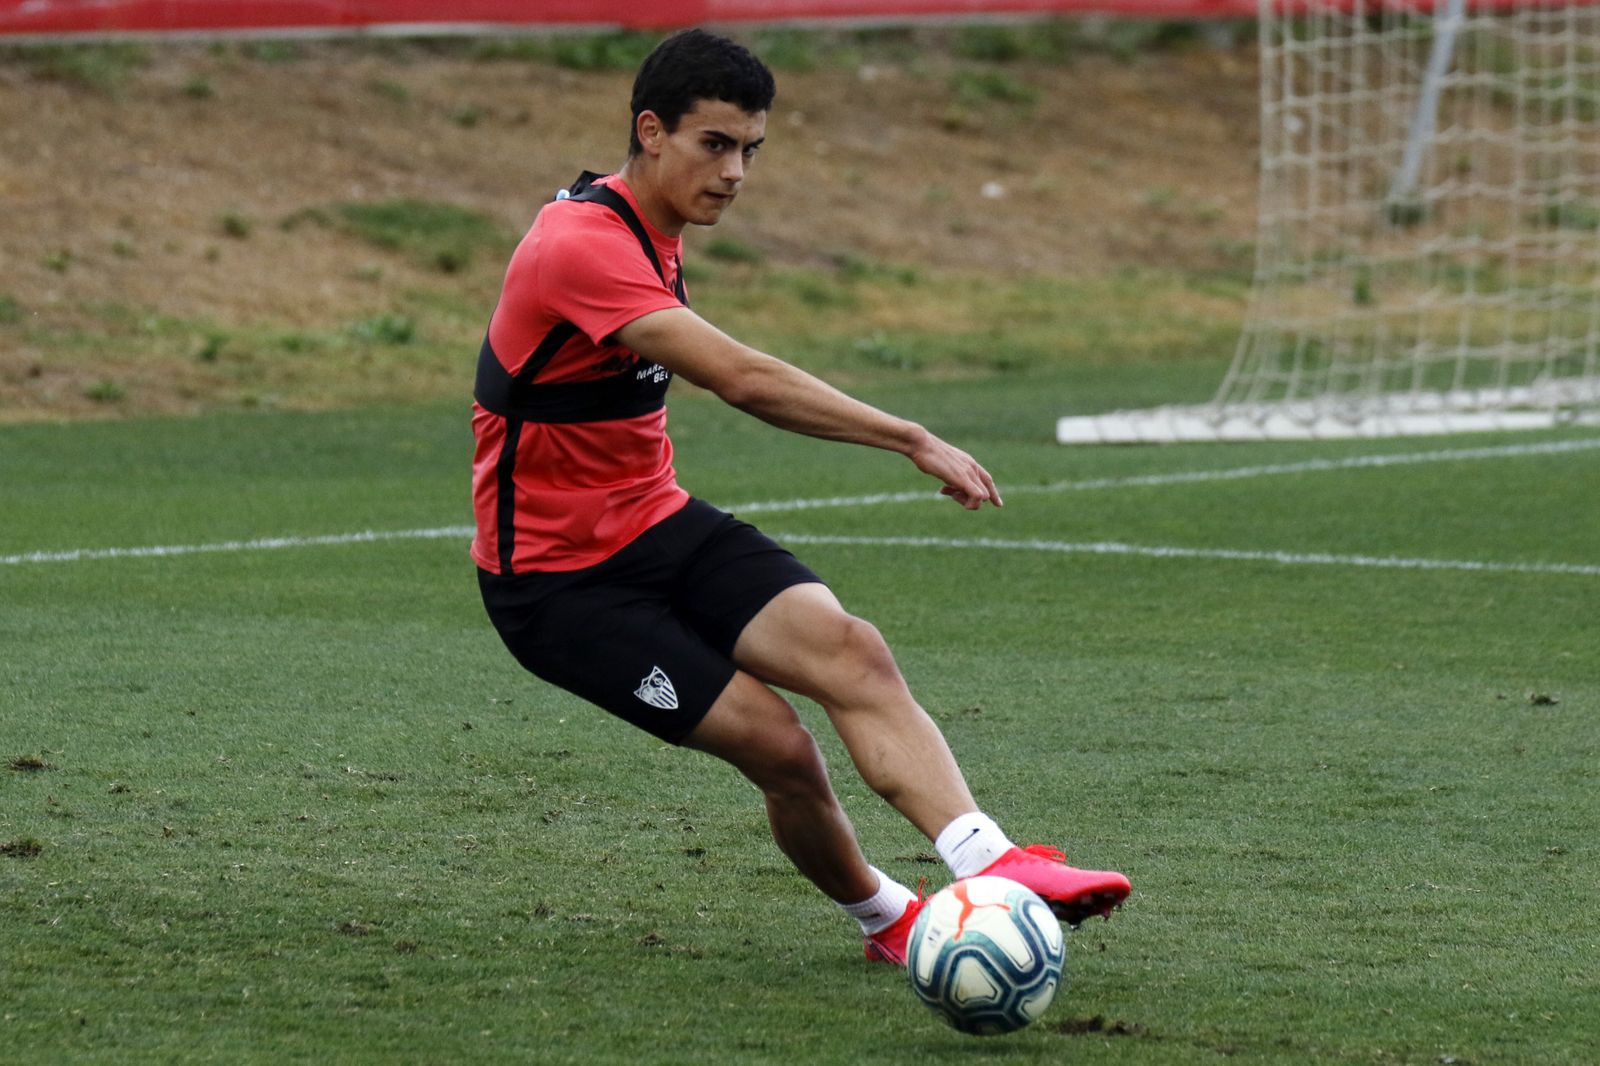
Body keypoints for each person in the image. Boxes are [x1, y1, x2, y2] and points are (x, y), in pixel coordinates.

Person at [470, 28, 1129, 965]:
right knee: (779, 746)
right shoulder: (579, 243)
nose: (736, 171)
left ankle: (994, 865)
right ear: (650, 133)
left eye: (751, 149)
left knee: (853, 653)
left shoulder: (650, 229)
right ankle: (888, 918)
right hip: (558, 586)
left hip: (656, 522)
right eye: (715, 145)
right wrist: (909, 435)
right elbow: (741, 378)